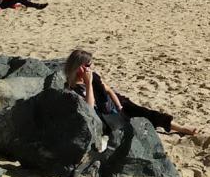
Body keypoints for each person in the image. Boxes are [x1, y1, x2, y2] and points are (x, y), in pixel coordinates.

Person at [62, 49, 197, 136]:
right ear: (79, 67)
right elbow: (88, 109)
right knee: (133, 126)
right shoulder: (72, 87)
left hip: (117, 104)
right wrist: (88, 83)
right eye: (88, 65)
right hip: (105, 116)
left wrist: (119, 106)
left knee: (146, 113)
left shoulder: (93, 75)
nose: (91, 68)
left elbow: (108, 90)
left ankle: (180, 128)